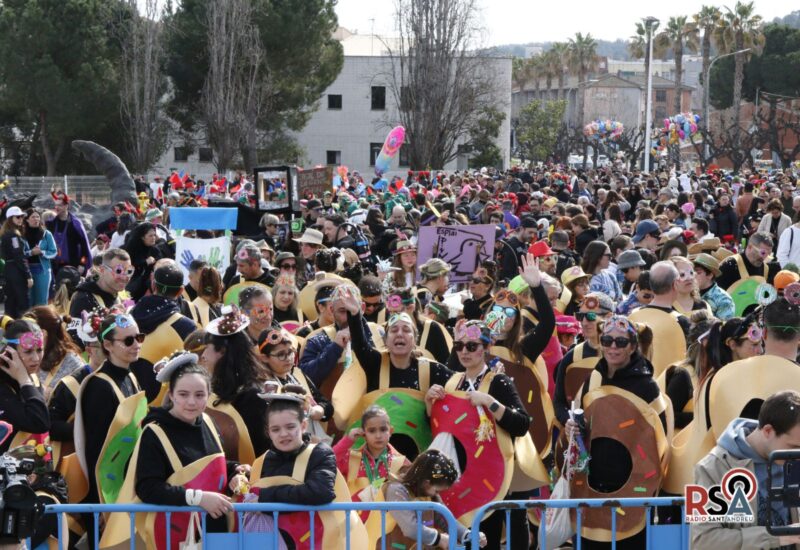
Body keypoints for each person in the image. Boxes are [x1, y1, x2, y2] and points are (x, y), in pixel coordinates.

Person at [101, 354, 241, 550]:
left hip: (214, 528)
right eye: (183, 394)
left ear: (209, 395)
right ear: (172, 395)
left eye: (199, 395)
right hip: (174, 535)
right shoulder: (154, 432)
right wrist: (198, 498)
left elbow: (204, 465)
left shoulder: (208, 422)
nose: (191, 402)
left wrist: (235, 470)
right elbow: (148, 487)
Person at [566, 315, 670, 549]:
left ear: (633, 346)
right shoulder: (592, 379)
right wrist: (571, 427)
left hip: (632, 490)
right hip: (591, 486)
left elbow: (660, 442)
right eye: (607, 340)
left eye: (621, 342)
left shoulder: (647, 386)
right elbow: (581, 425)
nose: (613, 347)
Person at [426, 319, 530, 548]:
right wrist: (429, 401)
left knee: (486, 541)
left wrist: (490, 403)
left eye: (472, 346)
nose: (464, 352)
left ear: (486, 347)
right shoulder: (452, 381)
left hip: (488, 480)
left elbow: (522, 423)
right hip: (454, 479)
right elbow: (439, 428)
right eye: (459, 346)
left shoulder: (498, 382)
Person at [242, 392, 366, 549]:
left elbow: (320, 492)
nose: (283, 434)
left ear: (303, 425)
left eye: (290, 427)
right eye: (275, 429)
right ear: (268, 432)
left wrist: (265, 497)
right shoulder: (260, 462)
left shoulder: (320, 453)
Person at [692, 390, 800, 549]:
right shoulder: (710, 468)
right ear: (768, 431)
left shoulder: (793, 460)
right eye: (794, 447)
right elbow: (703, 541)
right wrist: (774, 537)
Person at [75, 312, 146, 545]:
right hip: (108, 492)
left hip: (128, 485)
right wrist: (101, 504)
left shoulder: (130, 376)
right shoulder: (99, 387)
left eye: (139, 337)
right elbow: (96, 451)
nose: (136, 345)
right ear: (107, 345)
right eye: (128, 340)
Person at [203, 305, 270, 465]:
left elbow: (260, 450)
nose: (203, 356)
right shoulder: (218, 388)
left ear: (223, 352)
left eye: (207, 349)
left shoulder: (252, 397)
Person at [383, 450, 483, 548]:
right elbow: (410, 528)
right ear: (426, 483)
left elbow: (445, 519)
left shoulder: (427, 492)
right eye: (436, 491)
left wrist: (468, 535)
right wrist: (439, 538)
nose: (437, 494)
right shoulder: (396, 490)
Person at [129, 262, 197, 402]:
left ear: (153, 285)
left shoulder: (128, 318)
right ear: (180, 291)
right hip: (169, 407)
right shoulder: (187, 326)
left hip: (130, 402)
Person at [256, 328, 332, 442]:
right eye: (281, 354)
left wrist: (315, 411)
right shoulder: (264, 387)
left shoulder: (297, 374)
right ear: (264, 358)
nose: (288, 358)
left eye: (290, 352)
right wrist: (307, 440)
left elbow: (327, 406)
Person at [553, 293, 613, 426]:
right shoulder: (572, 356)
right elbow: (559, 402)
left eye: (591, 316)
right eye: (580, 316)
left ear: (608, 317)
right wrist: (567, 421)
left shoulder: (622, 355)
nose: (584, 322)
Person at [0, 319, 49, 453]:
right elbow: (39, 422)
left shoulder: (31, 378)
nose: (36, 358)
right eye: (28, 352)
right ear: (10, 352)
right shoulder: (3, 387)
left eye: (39, 350)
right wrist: (24, 380)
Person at [25, 305, 83, 400]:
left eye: (25, 333)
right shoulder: (23, 353)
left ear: (42, 334)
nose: (21, 338)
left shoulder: (71, 363)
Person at [68, 248, 132, 321]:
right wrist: (108, 318)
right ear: (102, 270)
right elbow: (74, 332)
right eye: (118, 271)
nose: (125, 277)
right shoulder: (84, 299)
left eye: (129, 271)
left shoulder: (120, 291)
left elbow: (131, 306)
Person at [46, 191, 92, 276]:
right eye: (56, 205)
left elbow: (84, 246)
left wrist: (82, 264)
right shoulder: (51, 223)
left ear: (66, 206)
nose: (56, 207)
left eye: (59, 205)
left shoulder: (75, 224)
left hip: (73, 265)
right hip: (55, 266)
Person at [1, 206, 33, 317]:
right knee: (23, 303)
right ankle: (24, 330)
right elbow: (19, 256)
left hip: (8, 271)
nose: (21, 219)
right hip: (16, 271)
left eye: (22, 217)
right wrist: (28, 275)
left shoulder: (5, 234)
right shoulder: (13, 235)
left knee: (10, 303)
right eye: (18, 217)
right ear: (11, 219)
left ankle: (10, 331)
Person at [24, 208, 58, 306]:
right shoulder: (22, 234)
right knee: (29, 299)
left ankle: (41, 320)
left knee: (42, 300)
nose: (36, 219)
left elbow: (54, 252)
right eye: (33, 217)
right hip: (26, 270)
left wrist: (42, 252)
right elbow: (19, 254)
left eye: (38, 216)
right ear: (27, 219)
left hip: (42, 270)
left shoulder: (46, 234)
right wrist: (31, 253)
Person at [124, 222, 164, 301]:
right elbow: (127, 269)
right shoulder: (132, 249)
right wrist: (144, 263)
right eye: (150, 236)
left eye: (154, 235)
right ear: (142, 237)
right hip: (131, 288)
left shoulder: (155, 250)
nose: (153, 238)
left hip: (149, 289)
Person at [693, 253, 735, 321]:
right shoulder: (687, 293)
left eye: (698, 273)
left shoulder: (724, 299)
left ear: (710, 275)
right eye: (692, 272)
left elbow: (723, 327)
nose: (693, 276)